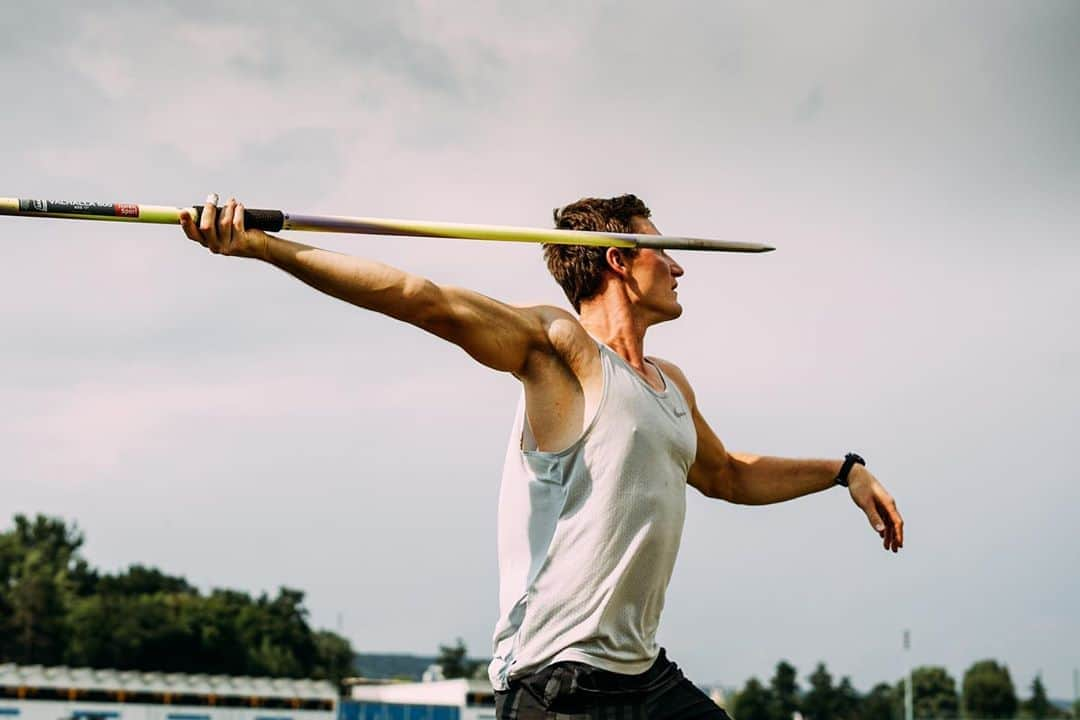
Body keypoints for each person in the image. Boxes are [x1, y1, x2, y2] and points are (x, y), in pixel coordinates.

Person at [180, 193, 903, 719]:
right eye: (664, 249)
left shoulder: (668, 384)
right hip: (559, 689)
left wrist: (844, 471)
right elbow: (419, 297)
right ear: (618, 260)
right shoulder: (561, 350)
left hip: (644, 680)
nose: (680, 266)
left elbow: (727, 475)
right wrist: (261, 245)